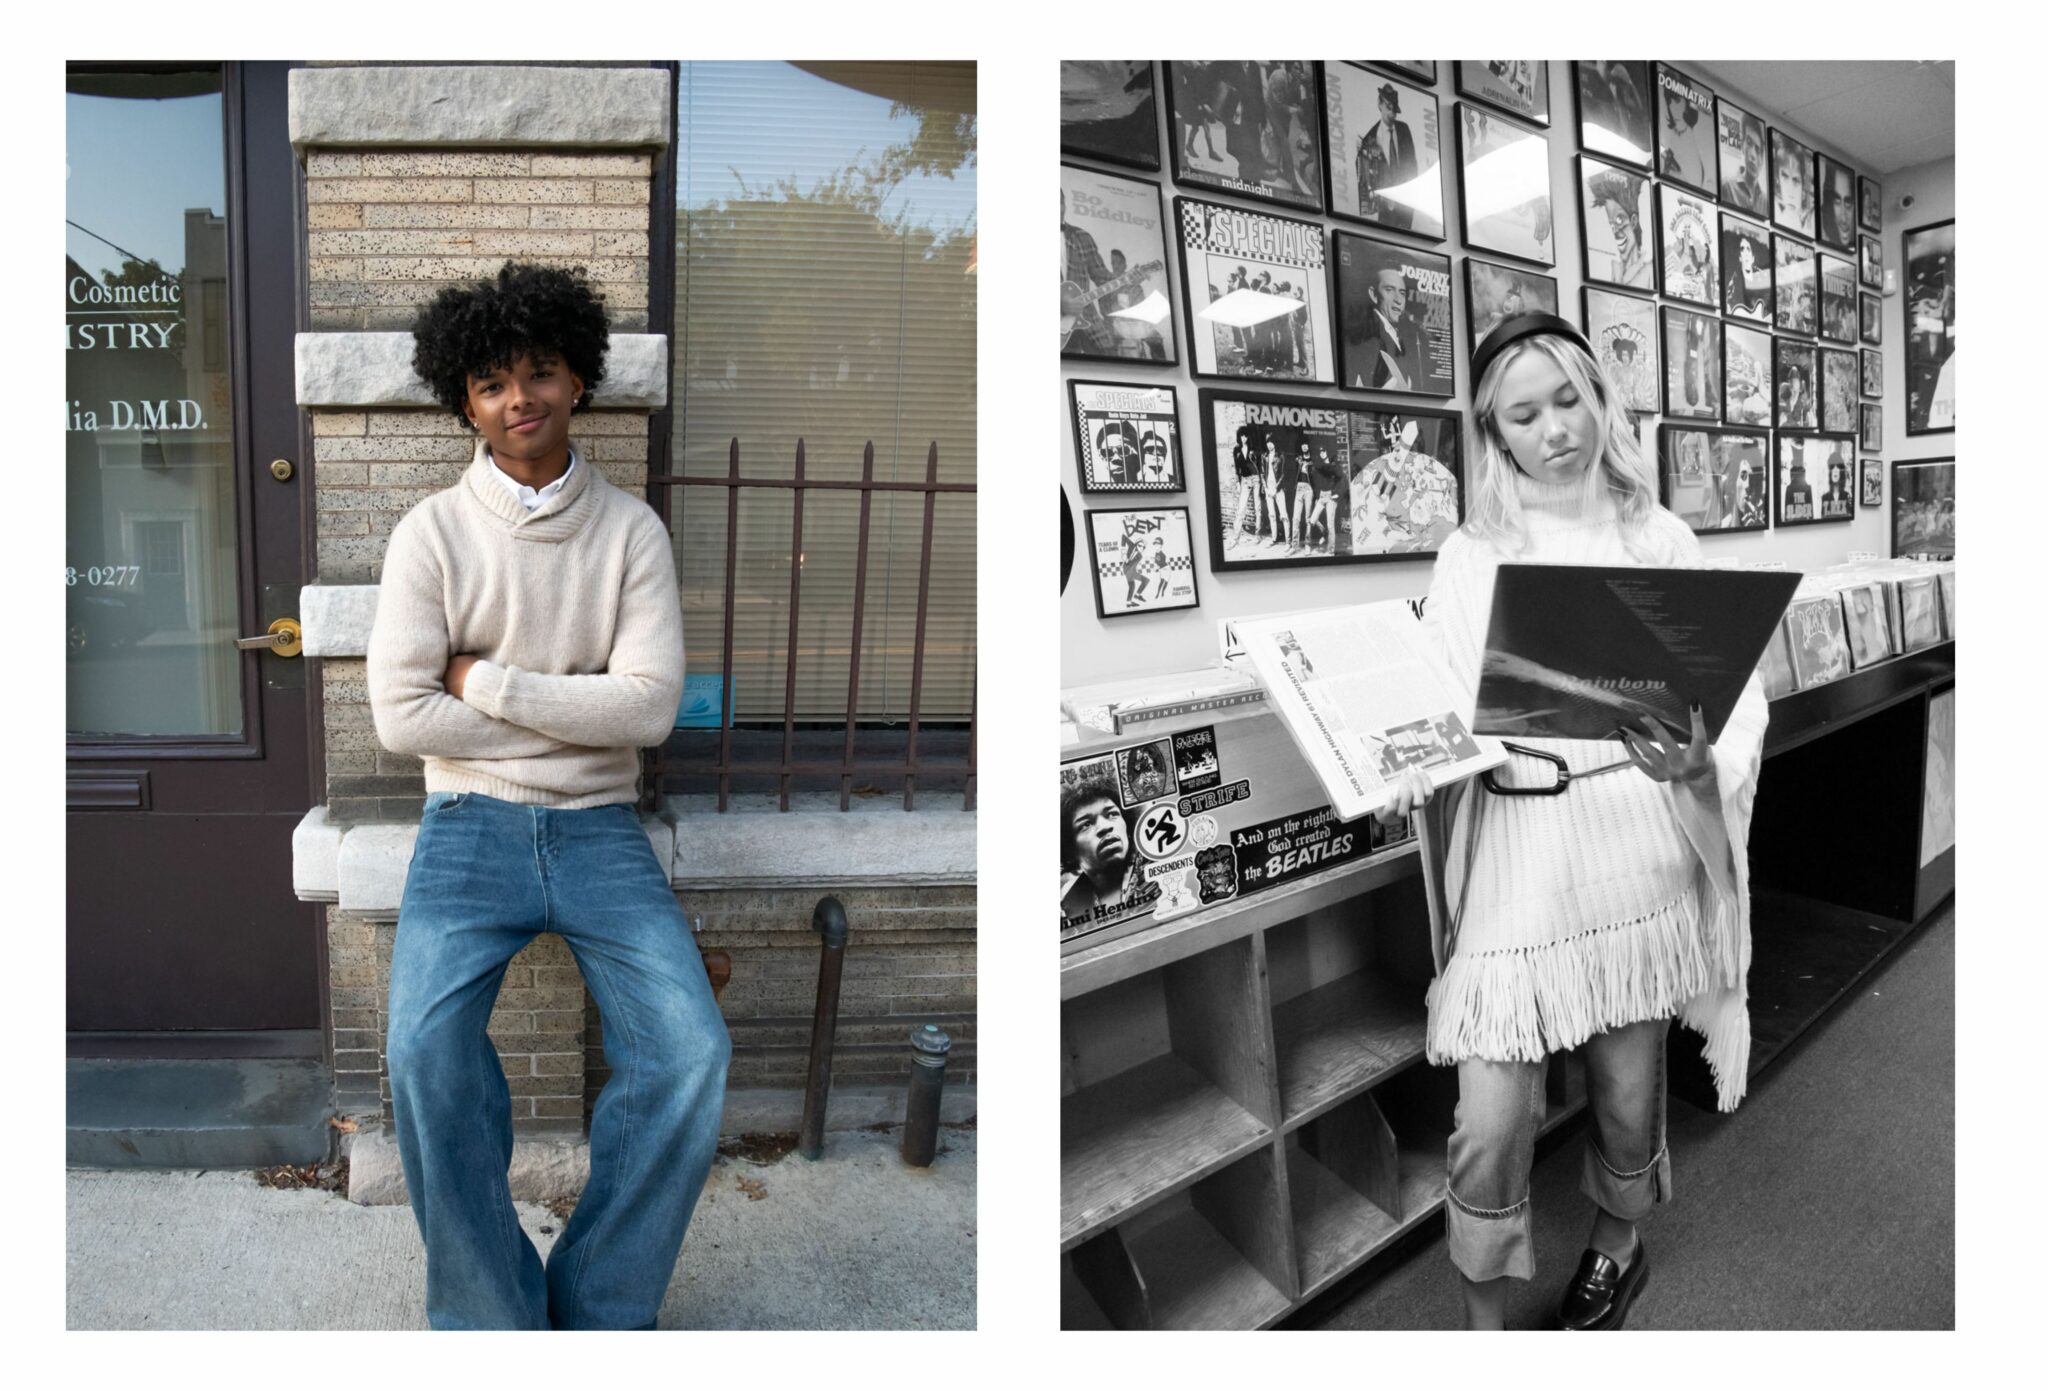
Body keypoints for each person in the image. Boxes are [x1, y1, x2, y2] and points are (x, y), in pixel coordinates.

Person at [1379, 312, 1768, 1331]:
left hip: (1632, 847)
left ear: (1599, 398)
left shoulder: (1657, 536)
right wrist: (1406, 757)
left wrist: (1702, 758)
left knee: (1628, 1089)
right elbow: (1438, 696)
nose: (1554, 429)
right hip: (1518, 856)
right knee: (1490, 1112)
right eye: (1523, 415)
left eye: (1568, 400)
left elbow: (1731, 694)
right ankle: (1484, 1319)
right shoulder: (1472, 553)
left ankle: (1617, 1243)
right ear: (1492, 432)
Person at [370, 262, 728, 1330]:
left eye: (537, 372)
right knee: (423, 1052)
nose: (517, 397)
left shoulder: (631, 533)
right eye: (491, 383)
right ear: (466, 403)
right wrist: (577, 714)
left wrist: (486, 682)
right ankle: (493, 1318)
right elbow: (402, 717)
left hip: (599, 829)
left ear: (577, 379)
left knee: (690, 1052)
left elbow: (649, 708)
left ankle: (600, 1307)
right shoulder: (430, 533)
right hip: (465, 824)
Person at [1059, 782, 1151, 924]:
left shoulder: (1157, 866)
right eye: (1086, 825)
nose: (1105, 827)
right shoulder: (1067, 908)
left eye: (1112, 814)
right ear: (1070, 851)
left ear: (1127, 826)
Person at [1347, 264, 1421, 390]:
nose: (1398, 300)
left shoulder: (1401, 336)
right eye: (1390, 290)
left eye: (1402, 293)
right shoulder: (1368, 336)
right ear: (1373, 295)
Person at [1357, 82, 1419, 229]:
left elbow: (1412, 165)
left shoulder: (1404, 130)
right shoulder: (1369, 139)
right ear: (1380, 105)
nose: (1392, 114)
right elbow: (1366, 180)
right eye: (1389, 108)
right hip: (1384, 210)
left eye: (1395, 110)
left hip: (1406, 205)